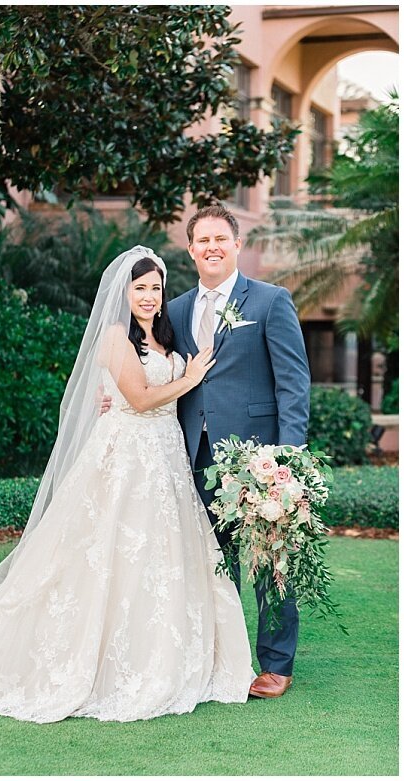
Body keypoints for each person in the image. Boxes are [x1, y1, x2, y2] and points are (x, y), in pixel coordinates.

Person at [0, 246, 254, 723]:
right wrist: (191, 378)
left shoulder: (167, 337)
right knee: (108, 553)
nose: (148, 295)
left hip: (166, 459)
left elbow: (158, 399)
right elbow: (140, 400)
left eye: (155, 287)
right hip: (126, 458)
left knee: (161, 555)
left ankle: (165, 653)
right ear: (124, 293)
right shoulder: (115, 338)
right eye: (139, 287)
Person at [164, 204, 310, 699]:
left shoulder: (270, 301)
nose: (211, 247)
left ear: (236, 244)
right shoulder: (177, 308)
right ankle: (215, 657)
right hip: (193, 454)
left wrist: (287, 461)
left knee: (271, 562)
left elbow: (293, 384)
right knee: (208, 559)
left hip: (258, 458)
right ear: (190, 250)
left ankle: (276, 664)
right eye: (202, 240)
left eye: (220, 239)